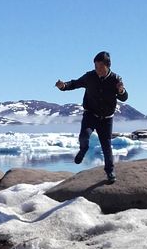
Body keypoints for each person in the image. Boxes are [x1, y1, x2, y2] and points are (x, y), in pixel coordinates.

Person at [55, 51, 128, 183]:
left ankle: (110, 171)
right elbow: (74, 83)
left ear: (108, 65)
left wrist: (121, 91)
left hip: (106, 119)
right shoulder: (90, 76)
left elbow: (124, 97)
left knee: (106, 147)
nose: (97, 70)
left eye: (100, 67)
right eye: (96, 67)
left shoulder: (116, 79)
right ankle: (83, 149)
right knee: (84, 136)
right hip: (90, 115)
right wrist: (63, 86)